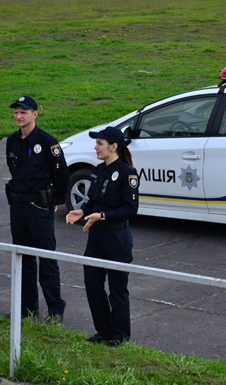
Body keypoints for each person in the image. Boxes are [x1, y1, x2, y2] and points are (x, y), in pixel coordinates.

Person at [65, 126, 139, 347]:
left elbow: (131, 209)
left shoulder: (127, 173)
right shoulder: (99, 169)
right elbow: (93, 200)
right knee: (93, 284)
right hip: (96, 237)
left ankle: (119, 335)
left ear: (113, 146)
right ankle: (103, 330)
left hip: (117, 237)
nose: (95, 147)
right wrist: (83, 210)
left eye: (100, 143)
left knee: (117, 288)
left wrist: (103, 215)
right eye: (96, 143)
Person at [5, 95, 69, 323]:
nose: (19, 116)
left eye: (24, 112)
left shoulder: (48, 143)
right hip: (19, 207)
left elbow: (62, 177)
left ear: (35, 114)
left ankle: (55, 310)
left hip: (40, 208)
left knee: (46, 258)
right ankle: (27, 309)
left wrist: (54, 202)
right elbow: (15, 171)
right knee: (23, 259)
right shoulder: (12, 141)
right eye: (16, 112)